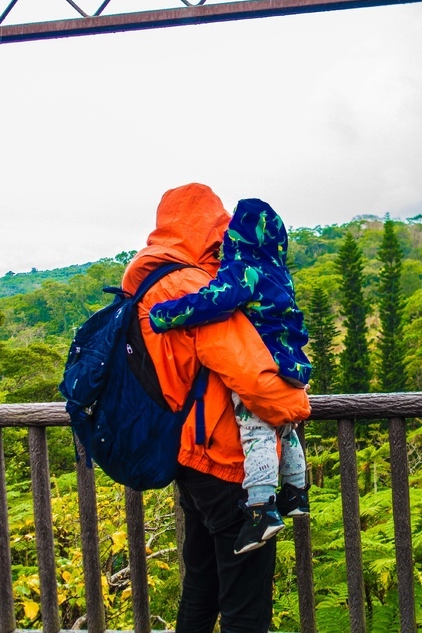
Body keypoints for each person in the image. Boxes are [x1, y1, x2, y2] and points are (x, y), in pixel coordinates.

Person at [122, 183, 310, 633]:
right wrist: (294, 404)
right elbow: (251, 376)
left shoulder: (145, 285)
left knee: (201, 587)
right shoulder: (191, 286)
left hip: (186, 454)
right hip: (228, 462)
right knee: (246, 604)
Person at [148, 197, 311, 554]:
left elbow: (213, 301)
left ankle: (262, 509)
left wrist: (164, 315)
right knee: (285, 428)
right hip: (294, 365)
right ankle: (297, 493)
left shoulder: (246, 270)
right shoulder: (277, 272)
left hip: (265, 365)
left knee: (257, 433)